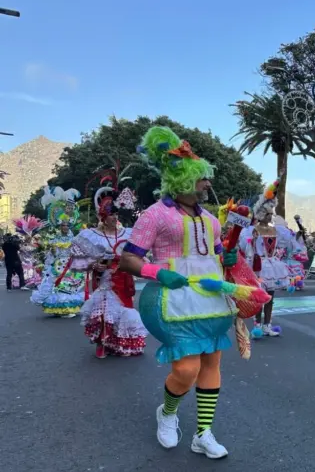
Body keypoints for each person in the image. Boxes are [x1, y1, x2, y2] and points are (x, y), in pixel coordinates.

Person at [119, 126, 240, 459]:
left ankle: (203, 433)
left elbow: (217, 255)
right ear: (183, 178)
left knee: (211, 362)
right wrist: (158, 272)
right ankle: (168, 412)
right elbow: (128, 259)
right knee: (186, 370)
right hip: (171, 302)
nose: (208, 183)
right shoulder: (155, 215)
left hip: (211, 301)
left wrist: (228, 259)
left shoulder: (211, 220)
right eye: (202, 178)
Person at [72, 176, 147, 358]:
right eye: (111, 215)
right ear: (103, 217)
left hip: (123, 278)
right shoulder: (91, 236)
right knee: (104, 311)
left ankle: (121, 343)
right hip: (104, 279)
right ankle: (103, 344)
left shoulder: (127, 234)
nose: (115, 218)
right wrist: (94, 264)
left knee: (124, 310)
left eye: (116, 215)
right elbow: (79, 261)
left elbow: (138, 254)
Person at [240, 176, 289, 338]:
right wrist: (253, 241)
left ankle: (267, 325)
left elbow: (282, 246)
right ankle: (257, 326)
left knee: (270, 298)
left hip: (272, 266)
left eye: (271, 214)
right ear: (261, 214)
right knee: (259, 298)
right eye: (268, 214)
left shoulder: (276, 230)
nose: (270, 216)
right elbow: (248, 250)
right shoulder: (251, 231)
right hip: (259, 267)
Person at [31, 188, 86, 318]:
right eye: (63, 225)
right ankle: (59, 308)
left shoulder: (74, 238)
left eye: (67, 225)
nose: (65, 227)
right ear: (59, 226)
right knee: (57, 286)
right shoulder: (54, 238)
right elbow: (50, 253)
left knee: (69, 286)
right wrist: (51, 250)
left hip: (70, 265)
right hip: (58, 266)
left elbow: (78, 251)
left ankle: (68, 308)